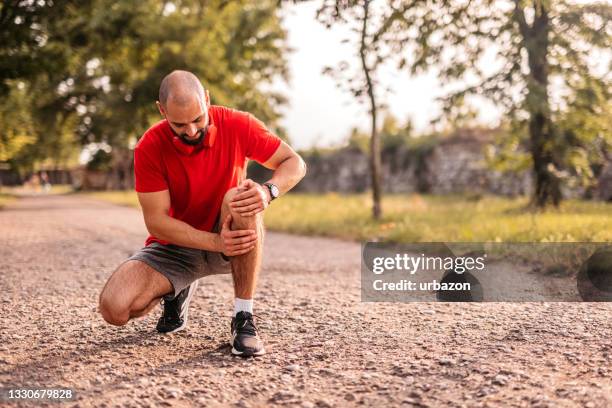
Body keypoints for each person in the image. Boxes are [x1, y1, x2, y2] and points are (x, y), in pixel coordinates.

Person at [98, 70, 306, 357]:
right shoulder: (149, 146)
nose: (192, 131)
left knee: (242, 196)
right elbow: (157, 222)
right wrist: (213, 243)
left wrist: (268, 191)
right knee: (115, 308)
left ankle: (243, 318)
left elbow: (294, 162)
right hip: (177, 248)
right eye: (179, 124)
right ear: (162, 111)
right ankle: (175, 291)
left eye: (198, 119)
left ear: (207, 99)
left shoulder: (238, 123)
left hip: (231, 234)